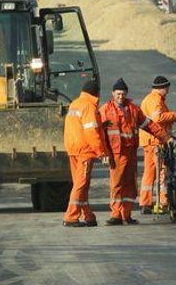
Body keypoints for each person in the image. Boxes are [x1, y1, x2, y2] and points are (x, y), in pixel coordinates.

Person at [100, 78, 168, 225]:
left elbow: (149, 125)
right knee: (116, 184)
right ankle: (116, 214)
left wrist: (165, 138)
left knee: (130, 184)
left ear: (126, 94)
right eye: (118, 94)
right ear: (113, 93)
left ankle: (127, 214)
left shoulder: (133, 110)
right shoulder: (105, 110)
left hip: (130, 152)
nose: (120, 96)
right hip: (116, 153)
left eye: (123, 94)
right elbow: (99, 134)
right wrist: (103, 152)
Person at [62, 79, 112, 227]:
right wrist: (102, 152)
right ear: (96, 93)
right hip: (84, 150)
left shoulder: (75, 104)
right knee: (81, 184)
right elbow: (91, 132)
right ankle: (70, 217)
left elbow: (81, 127)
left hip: (73, 149)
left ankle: (88, 216)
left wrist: (101, 126)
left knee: (80, 184)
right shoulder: (89, 106)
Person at [138, 75, 176, 214]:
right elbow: (158, 118)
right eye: (166, 88)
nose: (167, 91)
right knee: (162, 171)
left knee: (148, 173)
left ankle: (145, 203)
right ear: (161, 88)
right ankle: (164, 202)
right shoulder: (156, 100)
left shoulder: (148, 99)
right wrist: (174, 115)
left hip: (148, 142)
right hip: (156, 142)